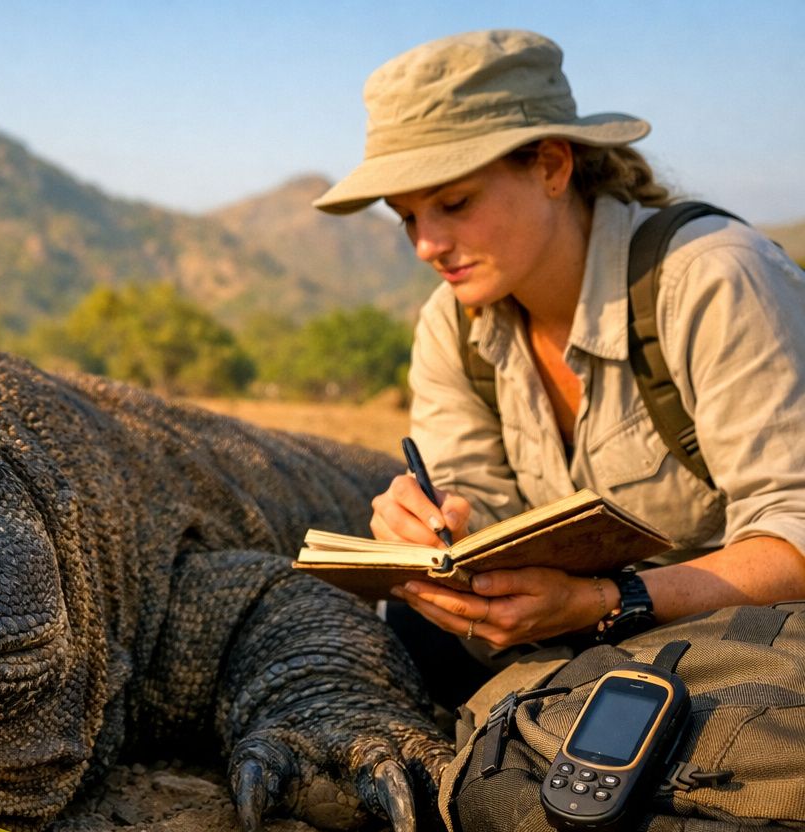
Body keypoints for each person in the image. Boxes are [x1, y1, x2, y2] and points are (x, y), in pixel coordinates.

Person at [313, 29, 805, 700]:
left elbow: (795, 532)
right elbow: (477, 508)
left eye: (454, 203)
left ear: (551, 166)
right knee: (408, 627)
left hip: (736, 637)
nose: (427, 243)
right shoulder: (452, 325)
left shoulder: (712, 278)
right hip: (584, 637)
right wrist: (440, 533)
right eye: (406, 217)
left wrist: (608, 599)